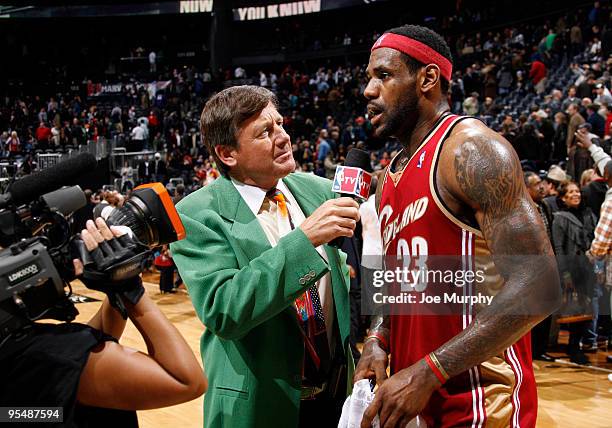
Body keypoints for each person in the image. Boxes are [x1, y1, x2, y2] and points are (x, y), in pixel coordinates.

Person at [355, 25, 558, 427]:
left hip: (481, 405)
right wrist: (378, 336)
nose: (368, 91)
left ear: (427, 79)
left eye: (383, 75)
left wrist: (429, 370)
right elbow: (398, 279)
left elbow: (539, 283)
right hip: (415, 399)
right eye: (368, 78)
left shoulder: (471, 150)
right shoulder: (388, 178)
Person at [169, 85, 360, 428]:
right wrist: (304, 240)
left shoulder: (319, 190)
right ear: (228, 154)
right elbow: (224, 309)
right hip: (261, 404)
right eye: (265, 132)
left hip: (337, 397)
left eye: (281, 124)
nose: (284, 137)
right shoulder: (196, 214)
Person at [0, 218, 207, 426]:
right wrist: (132, 291)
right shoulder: (53, 358)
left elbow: (98, 339)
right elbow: (186, 382)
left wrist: (115, 283)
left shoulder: (16, 349)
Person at [551, 181, 597, 364]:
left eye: (577, 191)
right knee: (574, 308)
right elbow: (558, 248)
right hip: (571, 269)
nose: (576, 194)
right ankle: (572, 347)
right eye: (571, 192)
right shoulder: (559, 218)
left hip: (588, 267)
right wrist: (565, 274)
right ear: (563, 197)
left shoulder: (588, 215)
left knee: (587, 309)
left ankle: (577, 344)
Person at [524, 172, 556, 362]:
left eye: (542, 184)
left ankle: (540, 350)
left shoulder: (545, 206)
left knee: (546, 309)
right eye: (537, 184)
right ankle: (531, 352)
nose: (542, 187)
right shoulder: (520, 207)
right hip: (529, 266)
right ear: (526, 187)